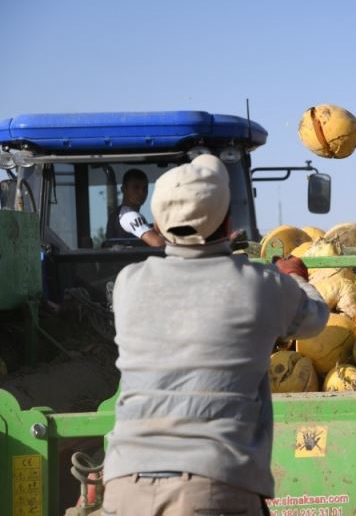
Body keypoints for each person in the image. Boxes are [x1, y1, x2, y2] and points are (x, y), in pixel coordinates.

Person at [102, 154, 330, 515]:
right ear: (228, 221)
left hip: (124, 484)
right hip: (211, 487)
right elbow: (316, 321)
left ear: (158, 222)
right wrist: (295, 279)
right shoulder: (259, 286)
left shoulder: (128, 283)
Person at [106, 168, 165, 247]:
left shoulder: (119, 214)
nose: (141, 193)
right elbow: (158, 243)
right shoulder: (129, 215)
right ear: (124, 189)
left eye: (145, 188)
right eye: (136, 188)